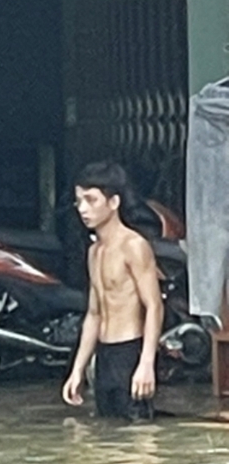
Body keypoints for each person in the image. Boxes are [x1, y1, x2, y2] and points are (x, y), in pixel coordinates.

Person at [62, 161, 163, 420]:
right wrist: (78, 370)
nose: (83, 209)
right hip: (104, 356)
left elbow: (154, 305)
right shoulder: (94, 251)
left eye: (91, 200)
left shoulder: (134, 246)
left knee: (138, 439)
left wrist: (146, 362)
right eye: (79, 201)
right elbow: (94, 314)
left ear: (113, 202)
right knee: (108, 436)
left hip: (131, 352)